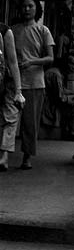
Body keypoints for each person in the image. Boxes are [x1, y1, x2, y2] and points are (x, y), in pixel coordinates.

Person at [12, 0, 55, 170]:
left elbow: (50, 58)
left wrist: (32, 62)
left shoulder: (43, 30)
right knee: (9, 120)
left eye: (30, 6)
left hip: (35, 83)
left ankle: (27, 157)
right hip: (14, 82)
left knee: (30, 123)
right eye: (24, 5)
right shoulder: (13, 30)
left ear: (37, 9)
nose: (27, 9)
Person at [0, 20, 26, 172]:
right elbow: (12, 62)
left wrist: (18, 91)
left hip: (6, 82)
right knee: (8, 119)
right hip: (6, 81)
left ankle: (3, 156)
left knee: (9, 117)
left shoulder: (5, 31)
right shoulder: (5, 31)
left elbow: (13, 62)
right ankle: (3, 156)